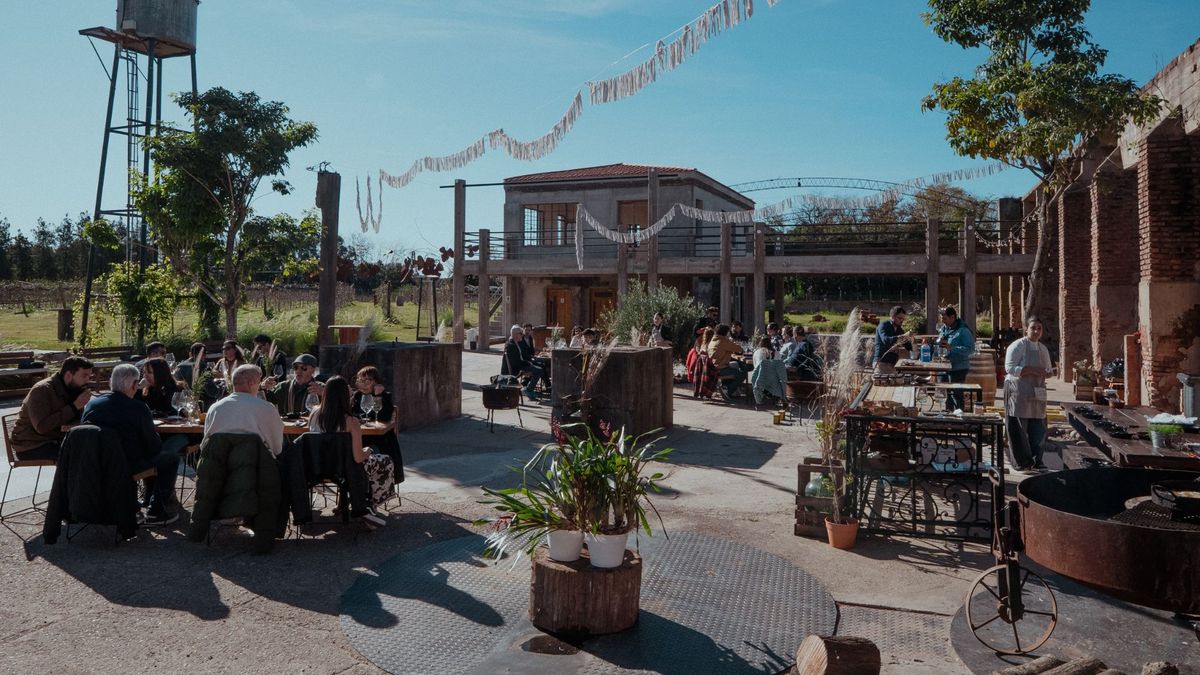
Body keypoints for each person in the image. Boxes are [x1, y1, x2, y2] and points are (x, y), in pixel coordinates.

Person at [82, 363, 180, 525]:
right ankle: (156, 510)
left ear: (110, 383)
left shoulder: (92, 405)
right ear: (135, 385)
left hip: (95, 462)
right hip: (127, 464)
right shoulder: (138, 408)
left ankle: (142, 501)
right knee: (170, 458)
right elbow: (153, 447)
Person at [309, 376, 393, 524]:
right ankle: (371, 505)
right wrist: (368, 451)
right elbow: (358, 458)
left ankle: (347, 502)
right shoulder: (351, 422)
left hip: (318, 467)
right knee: (384, 460)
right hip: (344, 470)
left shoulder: (314, 414)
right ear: (345, 397)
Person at [10, 356, 94, 460]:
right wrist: (74, 406)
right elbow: (41, 427)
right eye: (84, 376)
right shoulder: (42, 390)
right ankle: (69, 477)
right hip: (31, 445)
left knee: (97, 445)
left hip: (55, 439)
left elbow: (74, 420)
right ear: (68, 375)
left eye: (89, 377)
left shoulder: (74, 388)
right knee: (81, 454)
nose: (88, 381)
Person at [203, 364, 285, 458]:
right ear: (251, 383)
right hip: (256, 467)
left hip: (219, 468)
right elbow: (277, 449)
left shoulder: (214, 408)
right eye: (259, 383)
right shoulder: (266, 408)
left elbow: (206, 445)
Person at [1004, 318, 1054, 471]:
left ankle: (1036, 459)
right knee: (1019, 427)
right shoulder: (1017, 346)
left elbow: (1048, 370)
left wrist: (1048, 373)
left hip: (1037, 391)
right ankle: (1022, 462)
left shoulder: (1043, 349)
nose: (1036, 331)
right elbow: (1010, 368)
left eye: (1039, 328)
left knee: (1038, 427)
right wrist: (1032, 370)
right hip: (1018, 390)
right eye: (1033, 328)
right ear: (1026, 329)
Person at [937, 305, 976, 411]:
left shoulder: (963, 330)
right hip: (944, 367)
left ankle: (959, 420)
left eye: (945, 319)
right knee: (945, 395)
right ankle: (947, 419)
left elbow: (970, 349)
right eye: (942, 319)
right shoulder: (945, 328)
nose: (943, 321)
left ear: (952, 317)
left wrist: (952, 348)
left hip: (959, 368)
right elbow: (940, 340)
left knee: (956, 396)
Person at [501, 325, 548, 400]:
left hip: (520, 365)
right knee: (539, 370)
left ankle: (529, 387)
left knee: (540, 366)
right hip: (517, 369)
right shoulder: (511, 345)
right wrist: (528, 363)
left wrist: (529, 361)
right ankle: (529, 389)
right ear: (516, 335)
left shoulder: (515, 342)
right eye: (521, 334)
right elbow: (516, 362)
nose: (522, 335)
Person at [707, 324, 747, 397]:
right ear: (725, 332)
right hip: (720, 368)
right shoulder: (723, 341)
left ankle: (726, 387)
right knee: (742, 374)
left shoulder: (713, 340)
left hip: (712, 367)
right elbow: (739, 349)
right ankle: (728, 390)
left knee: (734, 364)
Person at [873, 305, 913, 375]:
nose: (902, 321)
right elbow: (886, 340)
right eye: (900, 318)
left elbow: (908, 347)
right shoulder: (883, 326)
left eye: (903, 319)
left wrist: (910, 339)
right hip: (881, 364)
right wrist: (903, 336)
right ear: (893, 317)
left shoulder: (899, 329)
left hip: (892, 365)